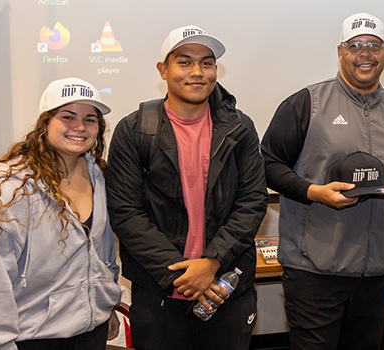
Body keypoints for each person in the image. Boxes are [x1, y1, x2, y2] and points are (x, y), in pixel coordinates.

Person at [261, 12, 384, 349]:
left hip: (378, 269)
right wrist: (313, 192)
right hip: (315, 267)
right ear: (340, 51)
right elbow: (267, 164)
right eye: (355, 45)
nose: (365, 53)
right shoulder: (306, 103)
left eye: (373, 46)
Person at [106, 25, 268, 350]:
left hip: (225, 287)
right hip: (159, 292)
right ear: (163, 70)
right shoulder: (134, 130)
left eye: (206, 63)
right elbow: (126, 213)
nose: (197, 72)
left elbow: (251, 202)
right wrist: (182, 275)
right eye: (184, 62)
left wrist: (211, 264)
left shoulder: (239, 127)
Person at [0, 77, 121, 350]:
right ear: (45, 122)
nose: (80, 127)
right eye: (68, 116)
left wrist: (103, 303)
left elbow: (100, 253)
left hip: (90, 332)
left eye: (90, 119)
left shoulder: (96, 175)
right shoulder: (9, 187)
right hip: (31, 338)